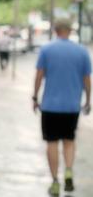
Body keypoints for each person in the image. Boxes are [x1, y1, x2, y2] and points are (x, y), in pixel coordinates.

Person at [32, 18, 91, 196]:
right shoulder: (81, 52)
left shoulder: (47, 50)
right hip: (72, 107)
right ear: (70, 31)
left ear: (56, 30)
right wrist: (88, 100)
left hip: (50, 106)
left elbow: (39, 76)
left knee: (51, 143)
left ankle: (55, 181)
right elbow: (87, 79)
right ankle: (69, 171)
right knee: (69, 141)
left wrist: (35, 97)